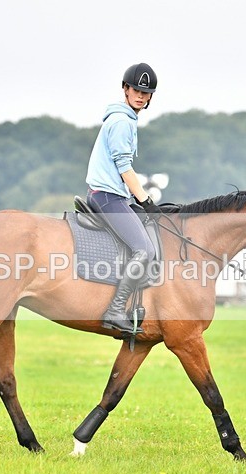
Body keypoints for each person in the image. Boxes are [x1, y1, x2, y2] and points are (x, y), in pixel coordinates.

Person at [85, 62, 163, 334]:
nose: (141, 95)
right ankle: (116, 309)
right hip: (108, 196)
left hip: (113, 195)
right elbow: (123, 166)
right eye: (135, 90)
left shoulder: (126, 118)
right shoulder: (121, 122)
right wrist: (146, 200)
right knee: (145, 250)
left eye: (146, 92)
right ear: (125, 89)